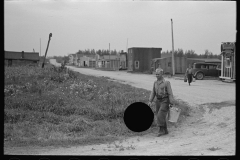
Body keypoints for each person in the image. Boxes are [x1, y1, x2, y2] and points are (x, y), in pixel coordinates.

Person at [148, 68, 175, 137]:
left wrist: (171, 102)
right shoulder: (155, 83)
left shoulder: (166, 83)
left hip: (165, 100)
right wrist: (150, 101)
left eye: (158, 74)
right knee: (160, 115)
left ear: (162, 74)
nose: (157, 75)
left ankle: (161, 130)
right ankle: (165, 130)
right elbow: (153, 92)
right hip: (158, 100)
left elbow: (170, 93)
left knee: (160, 114)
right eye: (156, 74)